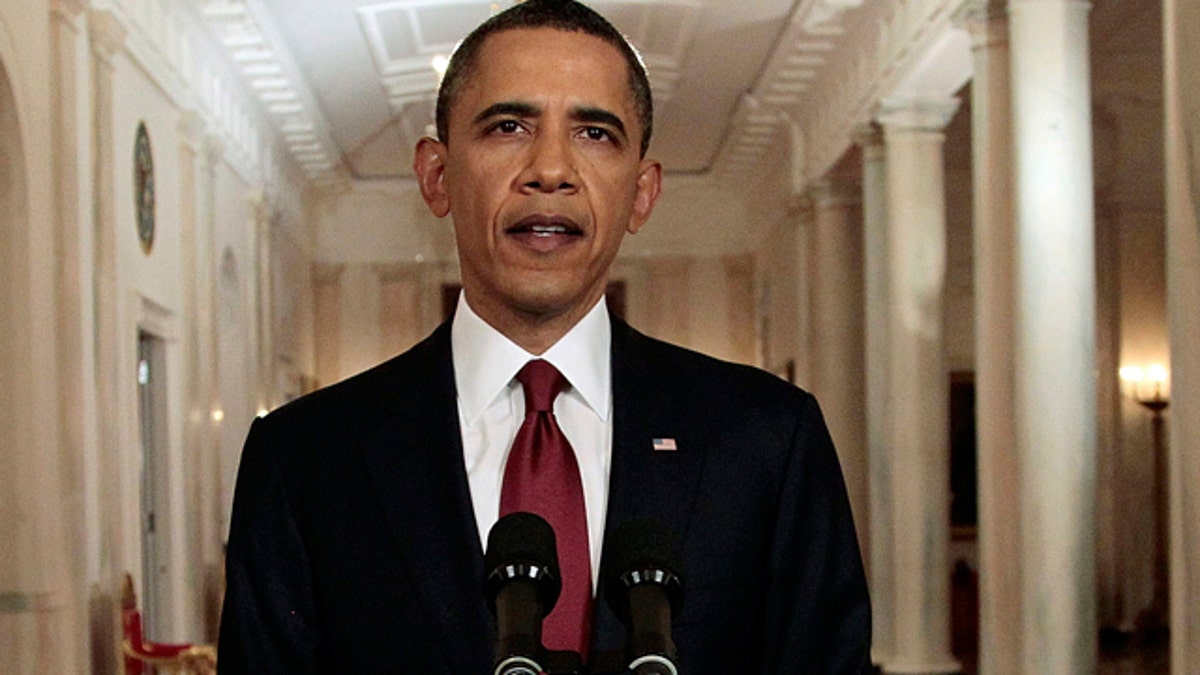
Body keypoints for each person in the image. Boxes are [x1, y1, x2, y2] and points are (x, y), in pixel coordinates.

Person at [217, 1, 871, 672]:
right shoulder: (302, 461)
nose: (550, 169)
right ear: (437, 176)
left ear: (642, 193)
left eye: (594, 133)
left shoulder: (768, 438)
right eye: (508, 126)